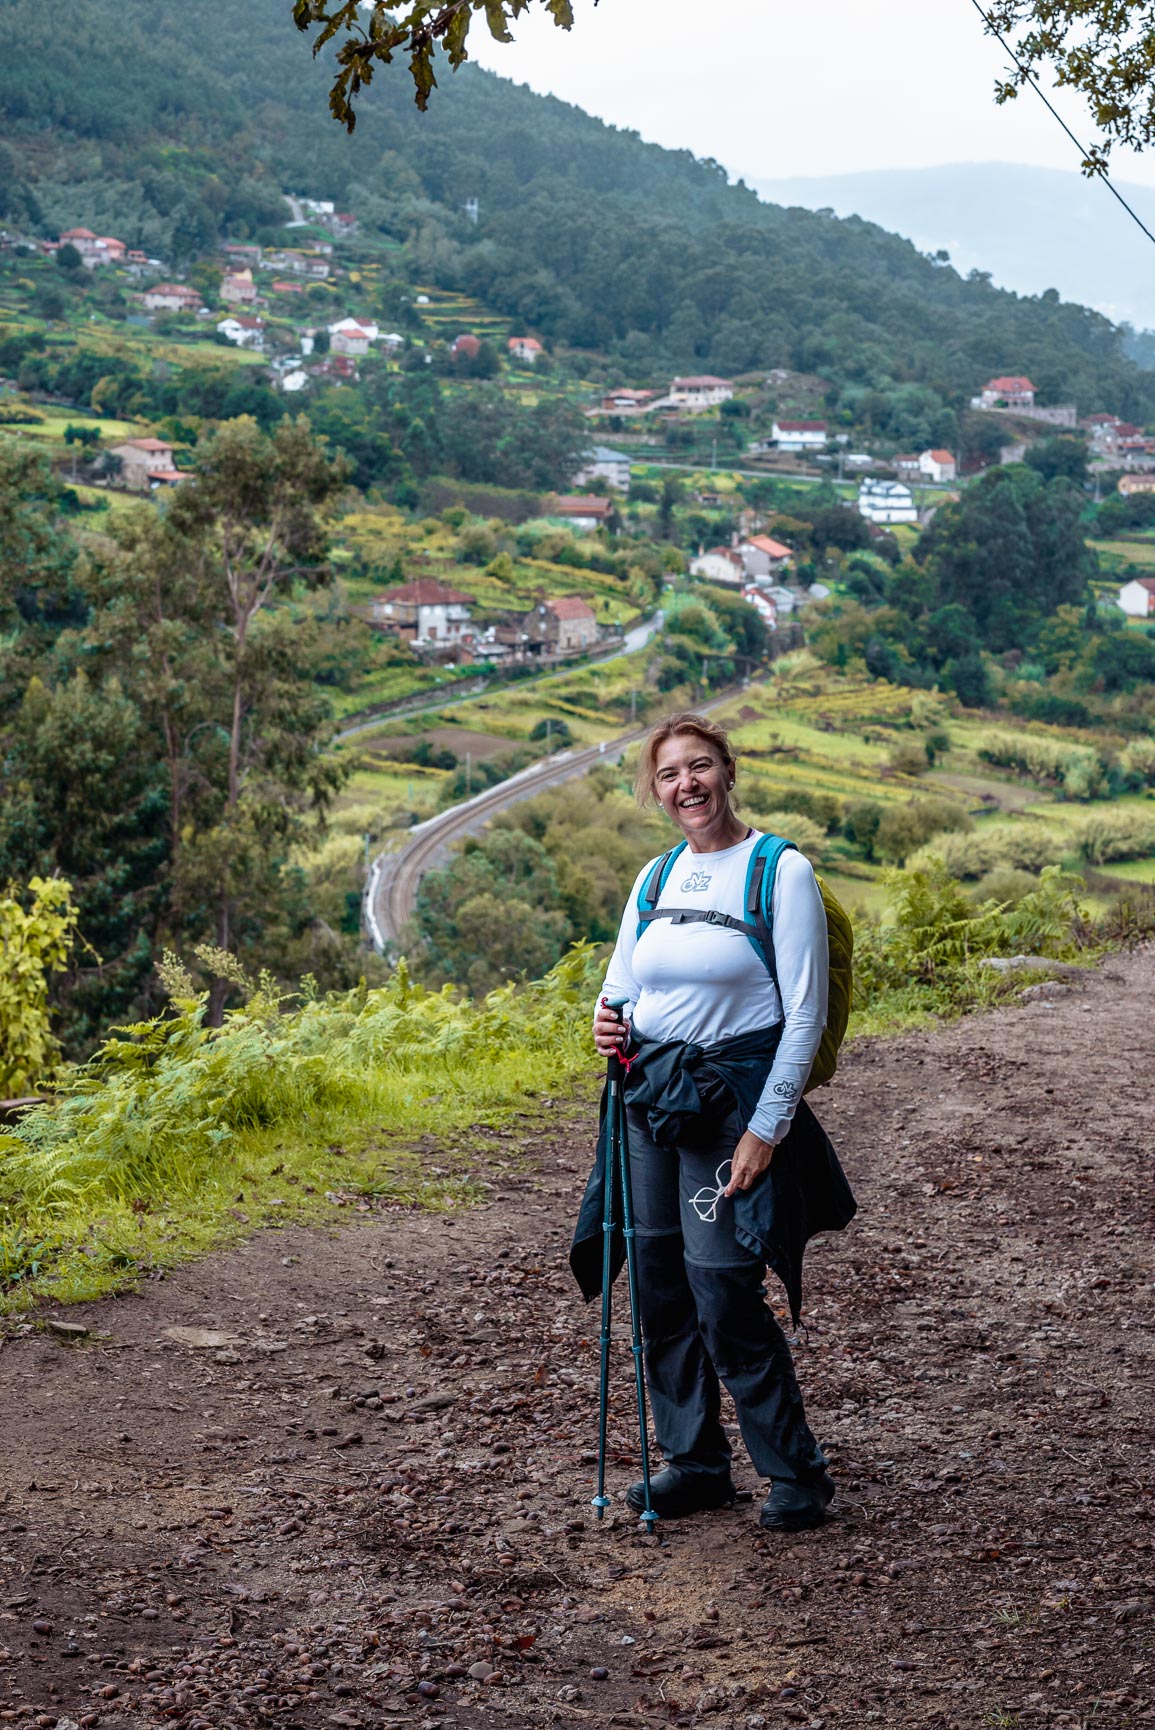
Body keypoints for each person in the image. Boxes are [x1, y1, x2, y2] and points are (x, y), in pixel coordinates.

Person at [570, 711, 856, 1531]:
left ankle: (794, 1473)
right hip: (648, 1097)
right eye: (668, 774)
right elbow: (622, 982)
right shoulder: (654, 878)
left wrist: (765, 1129)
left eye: (698, 767)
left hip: (729, 1103)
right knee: (657, 1284)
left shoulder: (778, 870)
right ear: (654, 791)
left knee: (722, 1286)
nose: (685, 785)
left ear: (726, 771)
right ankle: (694, 1462)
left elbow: (802, 1015)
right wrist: (603, 1018)